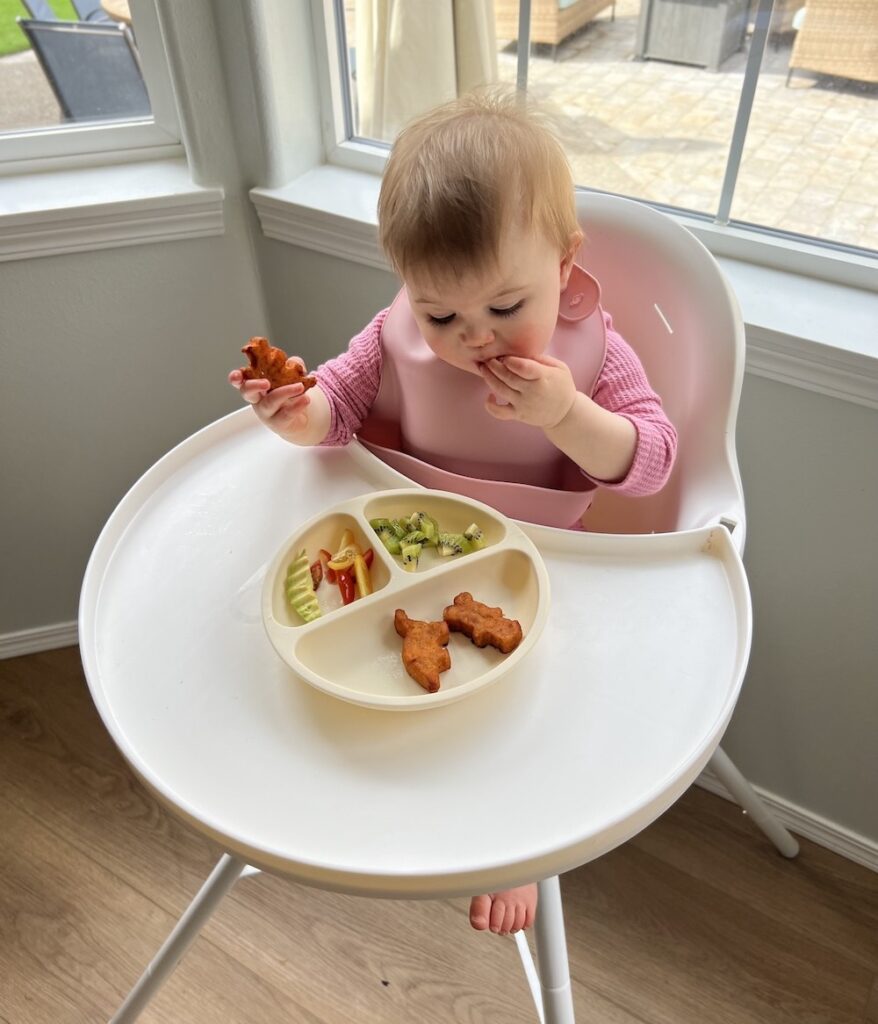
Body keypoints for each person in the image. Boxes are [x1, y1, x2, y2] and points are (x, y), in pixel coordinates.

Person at [230, 87, 677, 937]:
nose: (475, 337)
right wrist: (299, 416)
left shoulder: (595, 355)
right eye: (441, 314)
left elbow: (651, 465)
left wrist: (567, 416)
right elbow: (341, 407)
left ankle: (522, 849)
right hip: (410, 536)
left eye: (506, 308)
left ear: (565, 262)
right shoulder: (393, 333)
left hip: (542, 556)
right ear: (408, 288)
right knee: (330, 690)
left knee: (540, 705)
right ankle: (356, 799)